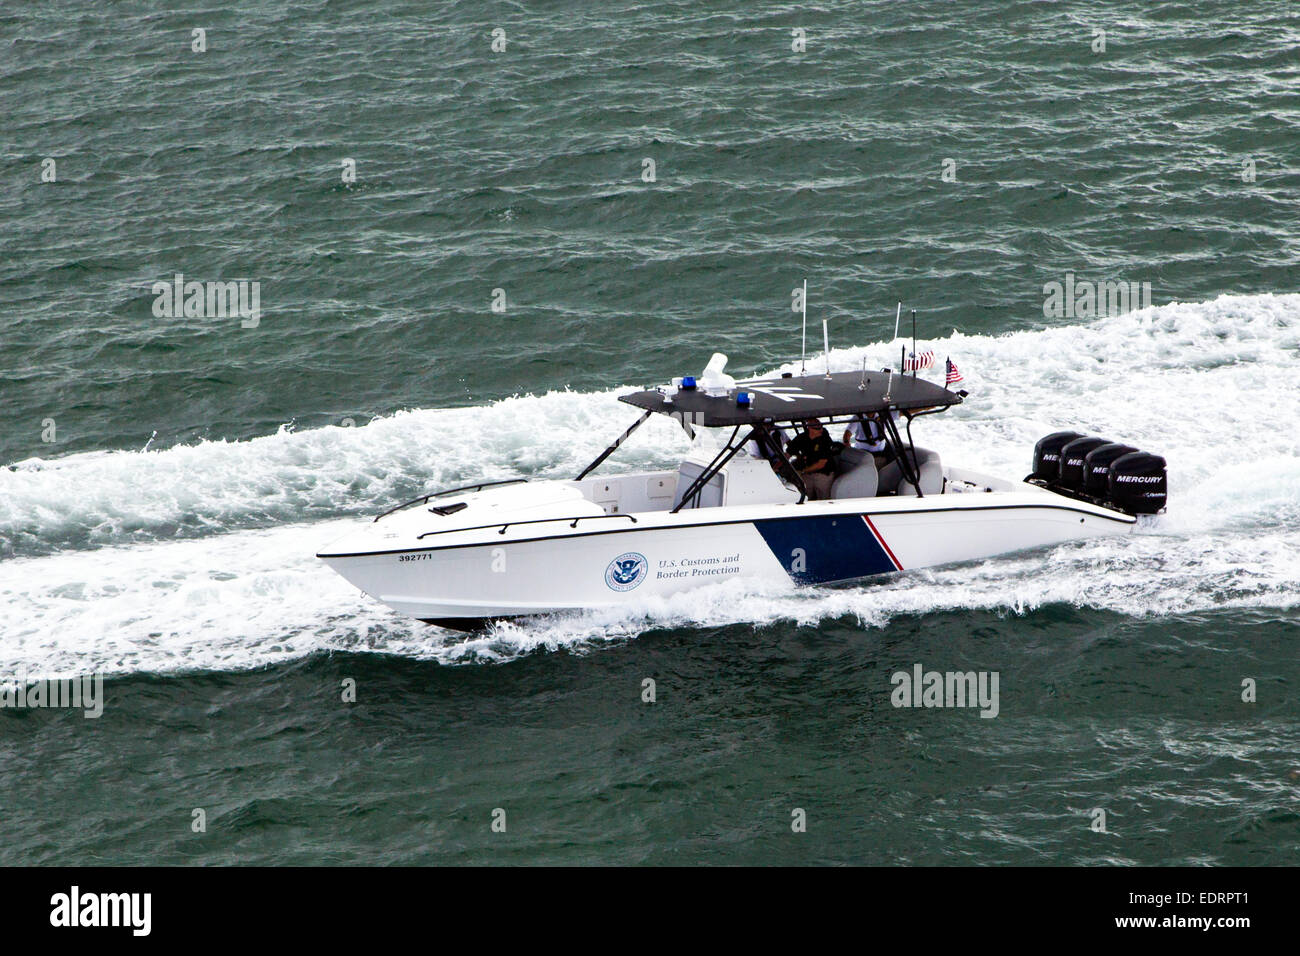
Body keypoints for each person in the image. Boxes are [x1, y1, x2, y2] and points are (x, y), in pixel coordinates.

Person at [785, 418, 839, 500]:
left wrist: (802, 471)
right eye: (817, 428)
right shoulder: (801, 438)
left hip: (823, 473)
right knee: (805, 497)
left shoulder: (825, 439)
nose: (820, 430)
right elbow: (788, 453)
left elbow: (821, 463)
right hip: (807, 473)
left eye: (821, 427)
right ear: (809, 428)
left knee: (824, 499)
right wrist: (776, 467)